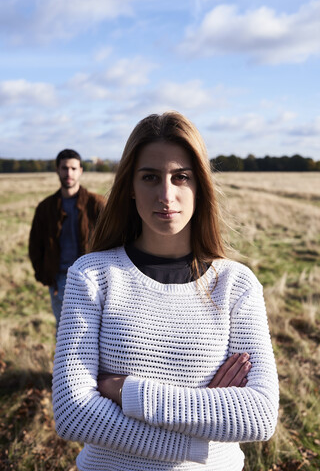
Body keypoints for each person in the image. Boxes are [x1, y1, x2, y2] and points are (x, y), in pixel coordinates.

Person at [52, 112, 279, 471]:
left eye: (181, 177)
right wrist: (200, 433)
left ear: (200, 184)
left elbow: (259, 416)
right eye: (150, 177)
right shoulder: (92, 275)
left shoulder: (236, 284)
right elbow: (72, 414)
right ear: (130, 185)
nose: (166, 194)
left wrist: (127, 391)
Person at [29, 149, 105, 329]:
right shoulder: (45, 208)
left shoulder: (97, 204)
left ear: (80, 171)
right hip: (60, 280)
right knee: (64, 333)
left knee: (95, 333)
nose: (68, 173)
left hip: (93, 280)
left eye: (73, 168)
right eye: (64, 168)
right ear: (57, 170)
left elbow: (116, 239)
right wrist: (46, 275)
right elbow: (35, 245)